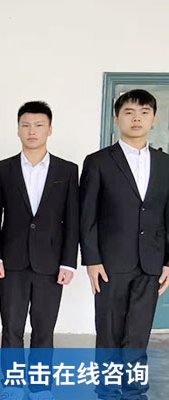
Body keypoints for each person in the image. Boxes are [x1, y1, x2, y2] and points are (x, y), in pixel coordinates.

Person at [0, 101, 79, 400]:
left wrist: (69, 262)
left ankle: (40, 386)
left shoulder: (67, 170)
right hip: (11, 262)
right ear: (17, 130)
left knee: (44, 329)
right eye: (25, 125)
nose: (32, 131)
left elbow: (72, 220)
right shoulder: (2, 169)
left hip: (51, 263)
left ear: (50, 130)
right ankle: (12, 385)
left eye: (39, 125)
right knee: (11, 328)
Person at [80, 89, 169, 400]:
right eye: (129, 112)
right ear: (116, 119)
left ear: (153, 119)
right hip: (109, 263)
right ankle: (107, 390)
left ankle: (134, 391)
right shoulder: (99, 162)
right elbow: (87, 215)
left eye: (144, 112)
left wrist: (168, 261)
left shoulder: (165, 163)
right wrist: (92, 260)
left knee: (138, 334)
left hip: (151, 262)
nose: (137, 118)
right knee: (109, 332)